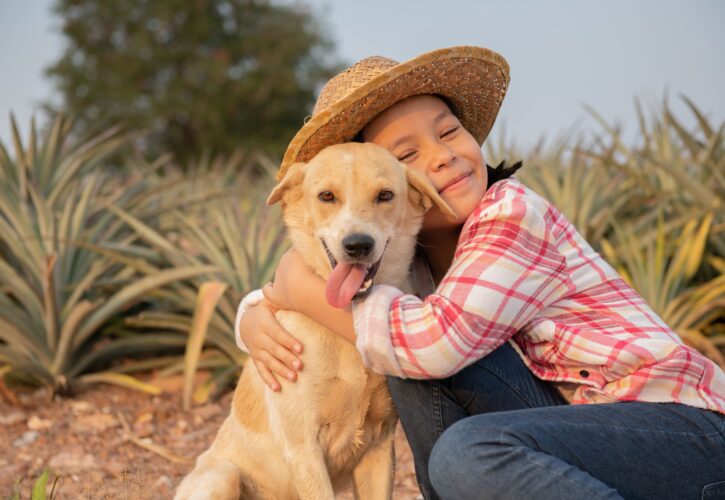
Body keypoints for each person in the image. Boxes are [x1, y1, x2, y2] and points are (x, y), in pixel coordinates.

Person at [235, 47, 725, 499]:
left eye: (449, 131)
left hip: (684, 435)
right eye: (405, 156)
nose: (442, 155)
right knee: (408, 361)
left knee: (464, 447)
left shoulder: (511, 215)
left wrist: (296, 292)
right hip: (575, 432)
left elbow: (429, 345)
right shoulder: (408, 258)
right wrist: (254, 312)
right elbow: (395, 333)